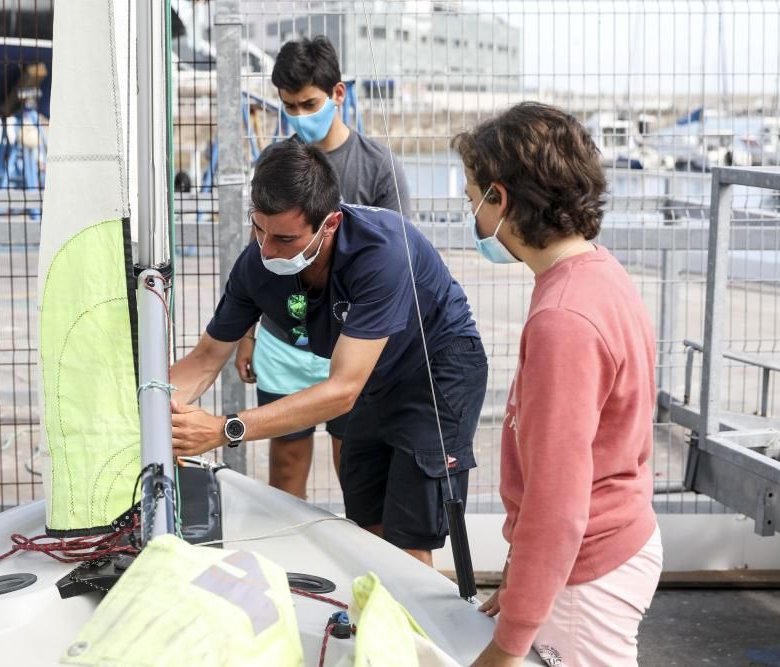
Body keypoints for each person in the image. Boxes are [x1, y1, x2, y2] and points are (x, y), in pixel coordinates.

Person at [170, 140, 486, 566]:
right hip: (370, 377)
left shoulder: (381, 250)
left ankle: (408, 626)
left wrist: (224, 429)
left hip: (434, 367)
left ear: (331, 223)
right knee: (364, 517)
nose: (267, 250)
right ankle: (377, 612)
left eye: (284, 238)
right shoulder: (255, 263)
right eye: (258, 229)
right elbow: (206, 358)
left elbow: (341, 391)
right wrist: (148, 408)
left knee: (409, 533)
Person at [454, 103, 663, 667]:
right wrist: (525, 583)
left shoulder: (562, 320)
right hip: (616, 539)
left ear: (501, 199)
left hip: (587, 570)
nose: (471, 212)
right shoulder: (599, 273)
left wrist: (511, 640)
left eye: (472, 197)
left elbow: (556, 501)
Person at [234, 35, 411, 500]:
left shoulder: (377, 166)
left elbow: (398, 263)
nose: (298, 115)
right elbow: (257, 255)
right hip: (284, 335)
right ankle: (287, 567)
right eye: (288, 106)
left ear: (338, 94)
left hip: (350, 341)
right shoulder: (274, 164)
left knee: (351, 463)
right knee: (286, 465)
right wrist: (247, 333)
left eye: (308, 103)